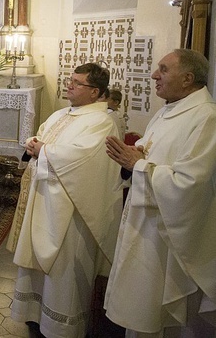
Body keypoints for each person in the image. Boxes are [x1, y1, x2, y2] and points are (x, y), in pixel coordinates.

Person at [104, 49, 216, 337]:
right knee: (142, 310)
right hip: (146, 224)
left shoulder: (206, 118)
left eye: (163, 69)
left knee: (159, 318)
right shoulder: (170, 108)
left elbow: (190, 184)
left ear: (188, 78)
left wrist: (137, 165)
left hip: (168, 235)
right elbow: (153, 147)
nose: (155, 75)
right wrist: (138, 150)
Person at [10, 63, 122, 337]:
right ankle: (35, 314)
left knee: (64, 268)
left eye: (77, 82)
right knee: (36, 264)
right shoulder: (62, 113)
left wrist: (44, 150)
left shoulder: (102, 121)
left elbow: (84, 159)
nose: (68, 85)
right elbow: (45, 139)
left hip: (71, 209)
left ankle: (60, 326)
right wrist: (34, 143)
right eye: (70, 80)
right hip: (43, 198)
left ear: (95, 92)